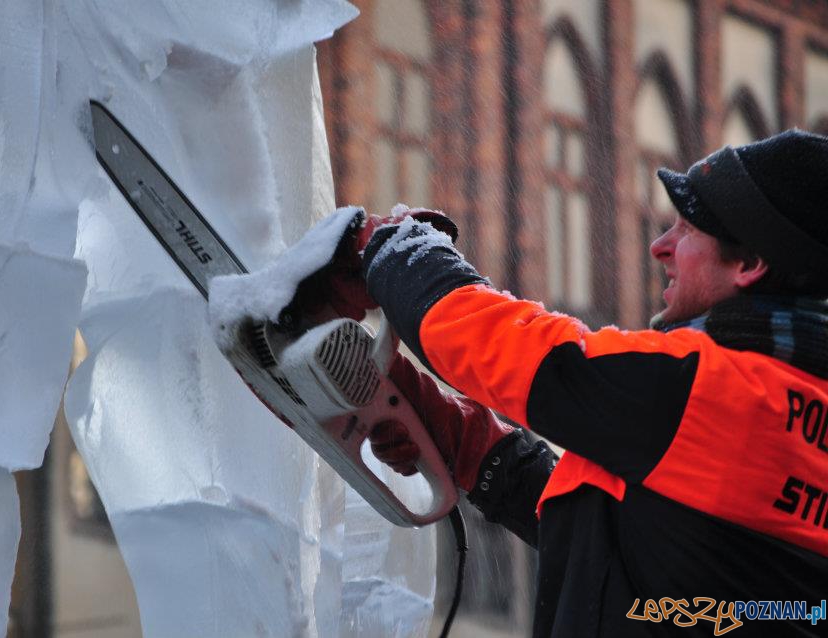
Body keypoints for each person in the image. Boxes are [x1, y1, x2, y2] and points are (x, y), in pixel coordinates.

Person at [333, 129, 828, 637]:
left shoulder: (707, 389)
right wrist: (466, 443)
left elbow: (514, 349)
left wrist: (395, 250)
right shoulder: (783, 407)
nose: (661, 246)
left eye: (688, 229)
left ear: (748, 264)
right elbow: (632, 555)